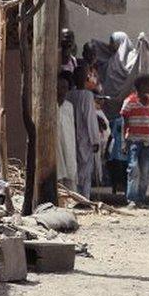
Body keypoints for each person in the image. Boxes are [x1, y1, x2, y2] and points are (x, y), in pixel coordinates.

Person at [120, 74, 149, 206]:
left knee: (145, 172)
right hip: (134, 142)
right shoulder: (129, 102)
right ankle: (131, 198)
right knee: (133, 169)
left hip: (147, 143)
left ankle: (141, 199)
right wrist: (124, 142)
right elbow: (124, 123)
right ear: (142, 86)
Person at [66, 66, 100, 198]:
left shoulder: (69, 94)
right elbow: (90, 118)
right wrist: (95, 139)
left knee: (75, 166)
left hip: (72, 134)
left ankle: (75, 195)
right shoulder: (87, 95)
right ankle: (84, 197)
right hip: (85, 136)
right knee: (85, 168)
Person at [56, 72, 78, 190]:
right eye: (60, 88)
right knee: (58, 174)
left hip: (69, 144)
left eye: (65, 88)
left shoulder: (69, 106)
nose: (63, 91)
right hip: (56, 145)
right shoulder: (50, 106)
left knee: (70, 173)